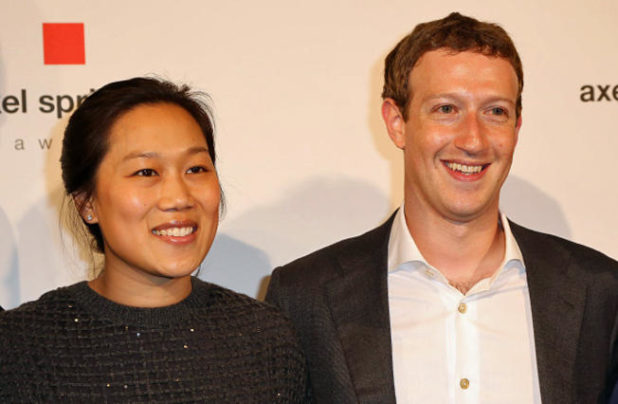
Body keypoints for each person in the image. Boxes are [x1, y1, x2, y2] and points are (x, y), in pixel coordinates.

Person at [266, 12, 618, 403]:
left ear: (516, 128)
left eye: (495, 111)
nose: (473, 140)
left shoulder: (600, 292)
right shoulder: (305, 297)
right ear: (397, 122)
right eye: (446, 109)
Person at [0, 77, 308, 403]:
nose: (179, 197)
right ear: (87, 203)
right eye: (146, 172)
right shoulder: (20, 347)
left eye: (196, 169)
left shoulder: (266, 339)